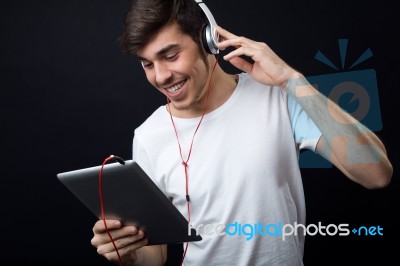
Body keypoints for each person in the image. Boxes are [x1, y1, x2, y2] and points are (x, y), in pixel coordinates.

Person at [90, 0, 393, 265]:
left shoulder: (277, 96)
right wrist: (127, 251)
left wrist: (292, 79)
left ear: (208, 40)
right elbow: (154, 257)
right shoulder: (147, 137)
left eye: (170, 56)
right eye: (147, 64)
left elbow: (376, 173)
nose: (161, 76)